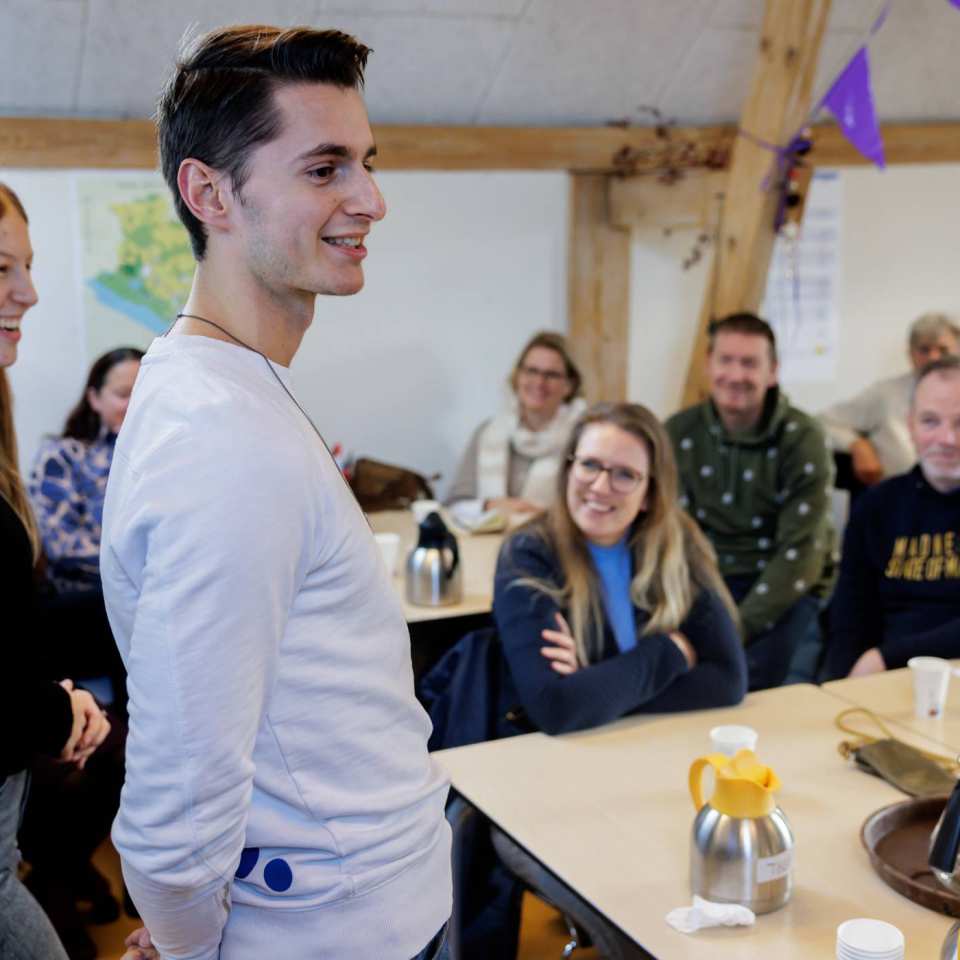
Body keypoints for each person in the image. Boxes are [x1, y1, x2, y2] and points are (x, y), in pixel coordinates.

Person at [101, 26, 450, 960]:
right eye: (326, 168)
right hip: (333, 930)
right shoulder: (224, 442)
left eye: (366, 164)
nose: (371, 200)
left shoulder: (224, 389)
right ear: (209, 193)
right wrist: (188, 945)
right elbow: (179, 802)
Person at [0, 183, 111, 958]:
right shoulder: (64, 457)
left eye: (29, 268)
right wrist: (53, 712)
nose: (30, 293)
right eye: (4, 267)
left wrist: (54, 702)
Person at [494, 401, 747, 736]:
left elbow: (728, 681)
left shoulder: (676, 544)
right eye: (589, 465)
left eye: (625, 474)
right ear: (569, 468)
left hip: (647, 745)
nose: (600, 487)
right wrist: (669, 654)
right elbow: (555, 707)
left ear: (648, 494)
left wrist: (596, 687)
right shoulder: (528, 553)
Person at [666, 312, 835, 691]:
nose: (736, 375)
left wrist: (732, 630)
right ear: (708, 365)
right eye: (725, 360)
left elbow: (801, 554)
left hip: (783, 586)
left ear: (773, 371)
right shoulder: (677, 433)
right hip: (704, 582)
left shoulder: (803, 437)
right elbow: (671, 536)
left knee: (765, 694)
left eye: (750, 363)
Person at [825, 356, 960, 678]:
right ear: (910, 425)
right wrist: (841, 690)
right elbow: (850, 619)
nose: (947, 439)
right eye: (930, 421)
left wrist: (887, 657)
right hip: (885, 684)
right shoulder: (875, 506)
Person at [29, 346, 142, 593]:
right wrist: (144, 573)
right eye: (124, 394)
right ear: (94, 398)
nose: (135, 404)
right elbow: (63, 546)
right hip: (88, 600)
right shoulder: (61, 456)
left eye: (143, 393)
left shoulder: (165, 458)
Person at [446, 330, 586, 523]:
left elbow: (590, 509)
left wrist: (544, 516)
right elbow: (454, 504)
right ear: (517, 376)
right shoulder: (487, 432)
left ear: (569, 385)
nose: (539, 382)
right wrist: (491, 506)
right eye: (531, 371)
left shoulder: (584, 440)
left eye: (551, 375)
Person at [820, 312, 959, 486]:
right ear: (910, 354)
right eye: (924, 349)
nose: (933, 357)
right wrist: (857, 444)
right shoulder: (885, 394)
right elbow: (822, 422)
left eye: (943, 349)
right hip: (900, 499)